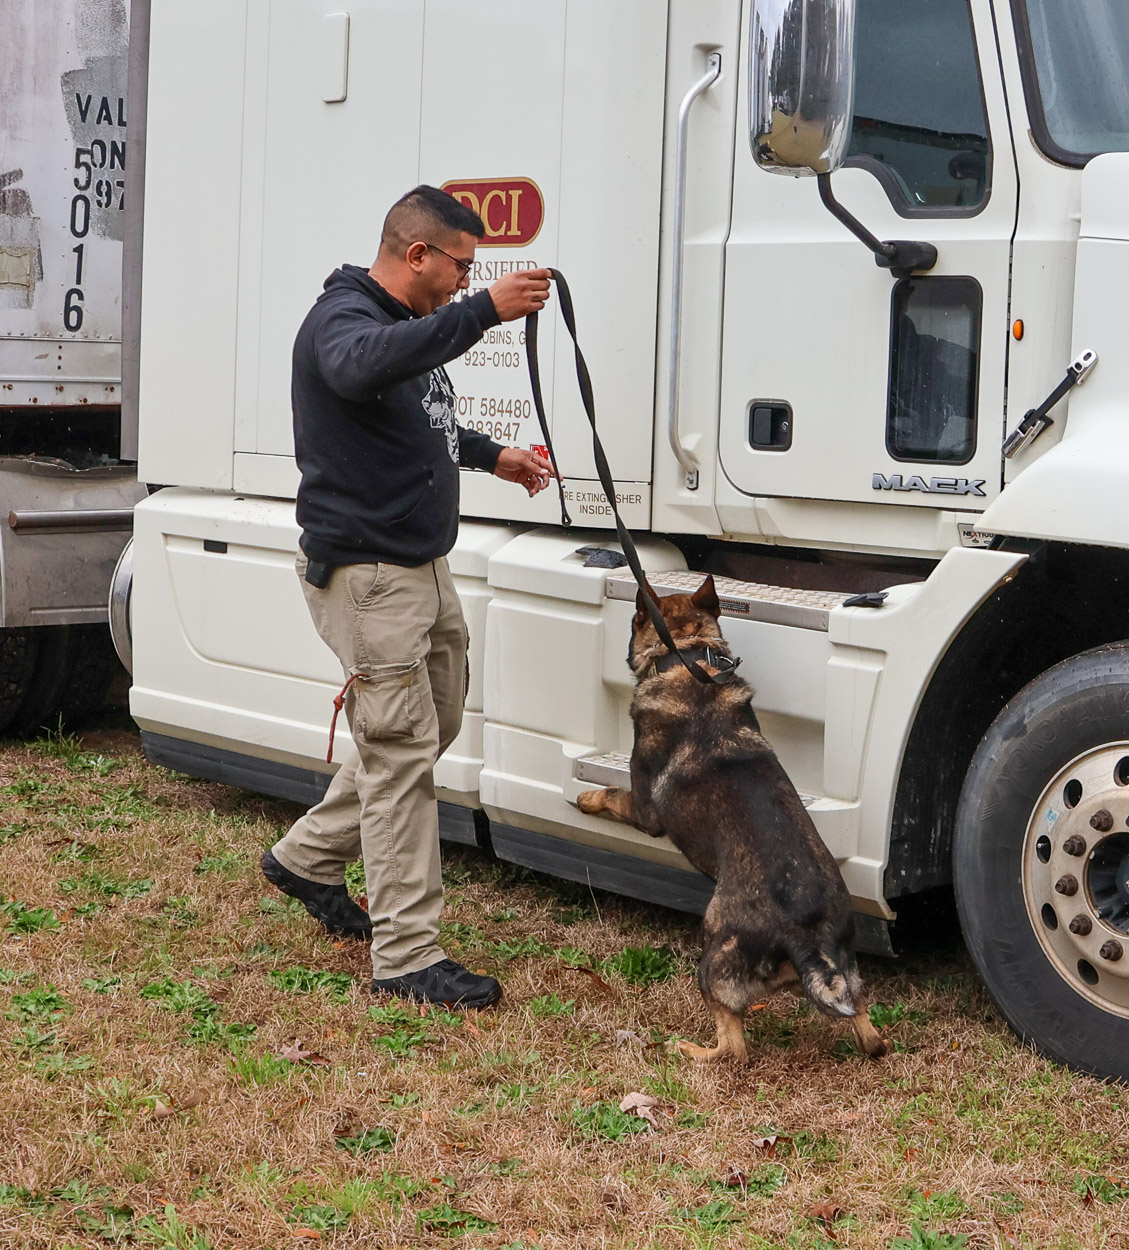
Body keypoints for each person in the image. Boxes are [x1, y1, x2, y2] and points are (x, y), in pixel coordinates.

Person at [261, 185, 554, 1008]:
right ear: (416, 253)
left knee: (432, 724)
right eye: (460, 267)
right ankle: (406, 958)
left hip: (421, 567)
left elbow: (419, 416)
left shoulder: (399, 326)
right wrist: (485, 313)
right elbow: (360, 369)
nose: (465, 284)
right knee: (398, 757)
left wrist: (493, 456)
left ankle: (306, 858)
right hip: (370, 577)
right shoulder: (343, 319)